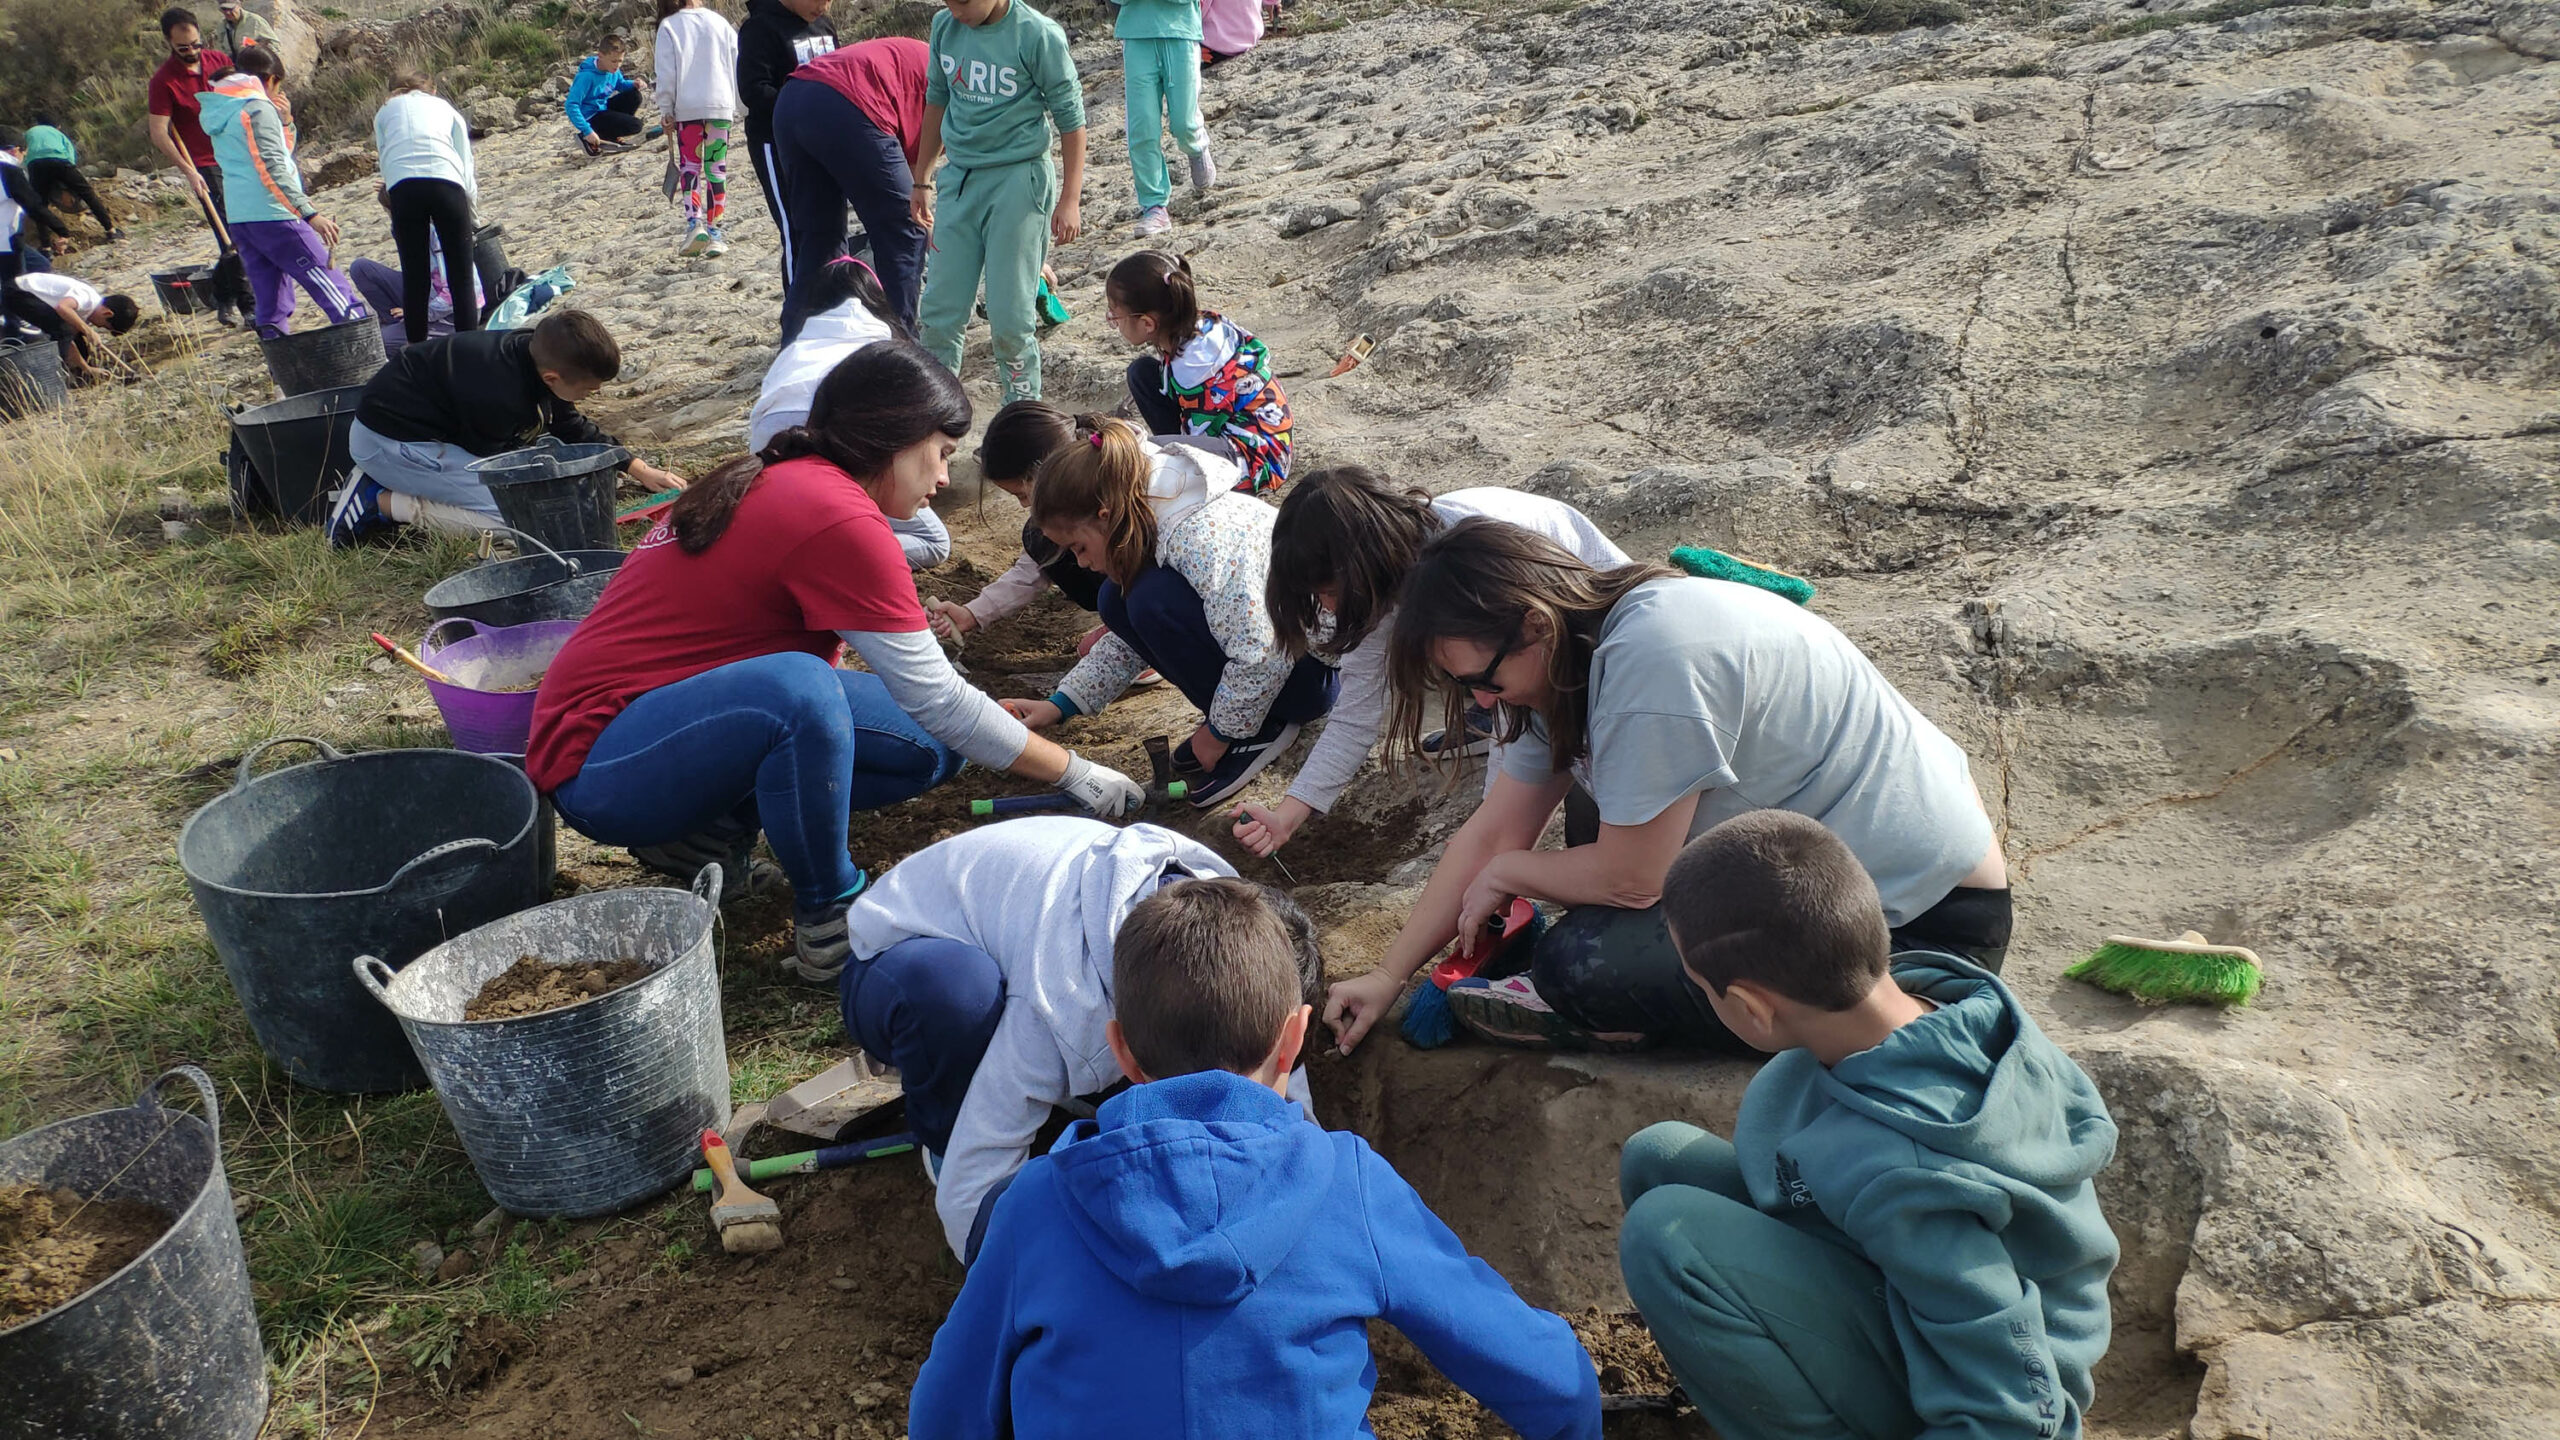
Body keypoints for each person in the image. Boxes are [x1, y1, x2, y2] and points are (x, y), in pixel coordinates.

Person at [525, 342, 1148, 978]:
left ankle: (702, 833)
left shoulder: (794, 481)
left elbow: (934, 712)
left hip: (679, 725)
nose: (941, 480)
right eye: (942, 455)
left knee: (929, 745)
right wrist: (1073, 773)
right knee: (803, 692)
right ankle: (830, 914)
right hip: (603, 762)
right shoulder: (833, 515)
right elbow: (937, 694)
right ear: (898, 438)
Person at [908, 875, 1603, 1440]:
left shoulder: (1036, 1204)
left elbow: (945, 1414)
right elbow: (1542, 1374)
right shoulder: (1345, 1183)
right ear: (1294, 1037)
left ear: (1121, 1051)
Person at [1324, 520, 2013, 1055]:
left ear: (1533, 622)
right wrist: (1389, 975)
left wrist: (1512, 872)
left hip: (1917, 926)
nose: (1478, 703)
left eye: (1482, 679)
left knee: (1579, 965)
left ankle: (1626, 1020)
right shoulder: (1574, 654)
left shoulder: (1652, 662)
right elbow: (1498, 829)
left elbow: (1633, 880)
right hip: (1833, 874)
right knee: (1603, 802)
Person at [1620, 810, 2117, 1440]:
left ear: (1750, 1007)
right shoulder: (1949, 1000)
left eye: (1705, 991)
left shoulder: (1903, 1170)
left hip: (1982, 1383)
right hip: (1898, 1281)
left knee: (1664, 1235)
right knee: (1659, 1157)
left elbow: (2015, 1406)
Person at [837, 817, 1314, 1260]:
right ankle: (942, 1129)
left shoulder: (1244, 932)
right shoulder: (1060, 1008)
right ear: (1124, 1047)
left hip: (1027, 917)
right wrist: (1011, 1287)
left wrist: (1309, 1167)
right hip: (896, 954)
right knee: (960, 995)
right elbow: (970, 1193)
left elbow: (1276, 1057)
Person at [1235, 466, 1629, 859]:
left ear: (1360, 567)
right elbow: (1356, 712)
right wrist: (1286, 816)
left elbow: (1517, 715)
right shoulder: (1380, 578)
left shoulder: (1471, 564)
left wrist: (1489, 833)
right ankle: (1483, 721)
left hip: (1594, 640)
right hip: (1520, 658)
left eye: (1328, 591)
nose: (1327, 607)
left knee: (1597, 792)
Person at [1001, 416, 1335, 807]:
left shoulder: (1194, 537)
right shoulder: (1154, 517)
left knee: (1147, 599)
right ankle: (1243, 720)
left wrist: (1220, 733)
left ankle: (1257, 730)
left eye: (1078, 548)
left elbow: (1262, 649)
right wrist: (1060, 705)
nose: (1083, 564)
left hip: (1306, 672)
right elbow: (1131, 641)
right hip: (1281, 666)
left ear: (1105, 516)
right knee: (1116, 599)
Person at [331, 308, 686, 543]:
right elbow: (497, 465)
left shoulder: (534, 353)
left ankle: (396, 484)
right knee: (523, 524)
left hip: (430, 430)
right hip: (390, 442)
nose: (592, 396)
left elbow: (569, 424)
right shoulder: (500, 395)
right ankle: (381, 501)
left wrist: (637, 468)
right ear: (552, 377)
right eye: (589, 390)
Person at [913, 0, 1086, 404]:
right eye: (948, 1)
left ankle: (1021, 421)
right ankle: (934, 421)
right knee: (939, 314)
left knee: (1010, 320)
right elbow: (937, 100)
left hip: (1019, 178)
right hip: (960, 179)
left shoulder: (1037, 34)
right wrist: (921, 178)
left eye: (965, 2)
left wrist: (1070, 199)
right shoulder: (945, 27)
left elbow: (1071, 120)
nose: (956, 11)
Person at [746, 256, 947, 567]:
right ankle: (821, 554)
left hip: (770, 464)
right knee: (934, 542)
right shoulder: (882, 344)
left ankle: (804, 543)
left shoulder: (797, 347)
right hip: (833, 459)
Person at [200, 50, 366, 341]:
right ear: (271, 80)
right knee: (327, 282)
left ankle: (282, 369)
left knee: (271, 300)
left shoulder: (223, 108)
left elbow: (269, 153)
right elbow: (273, 167)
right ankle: (363, 344)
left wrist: (286, 123)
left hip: (242, 218)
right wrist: (309, 214)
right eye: (279, 85)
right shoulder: (256, 109)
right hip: (274, 214)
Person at [771, 37, 929, 341]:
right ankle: (899, 344)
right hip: (846, 101)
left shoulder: (922, 58)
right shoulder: (957, 87)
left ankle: (795, 344)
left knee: (820, 240)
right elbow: (918, 187)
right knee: (904, 230)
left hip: (792, 99)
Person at [1103, 249, 1290, 493]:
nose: (1113, 322)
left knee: (1143, 453)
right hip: (1246, 433)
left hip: (1256, 458)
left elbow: (1200, 431)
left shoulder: (1194, 370)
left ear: (1148, 323)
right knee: (1141, 373)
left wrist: (1158, 449)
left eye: (1115, 316)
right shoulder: (1200, 326)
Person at [145, 8, 253, 326]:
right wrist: (187, 170)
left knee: (247, 229)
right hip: (204, 165)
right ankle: (250, 307)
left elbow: (241, 97)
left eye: (196, 43)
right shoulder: (163, 81)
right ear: (169, 42)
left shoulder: (219, 61)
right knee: (232, 235)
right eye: (183, 47)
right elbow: (158, 133)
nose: (192, 51)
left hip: (236, 154)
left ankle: (222, 294)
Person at [373, 70, 478, 345]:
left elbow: (385, 158)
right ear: (431, 90)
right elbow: (465, 159)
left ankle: (417, 353)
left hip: (404, 189)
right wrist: (472, 209)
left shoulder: (384, 111)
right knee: (461, 275)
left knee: (415, 276)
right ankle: (468, 349)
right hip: (447, 183)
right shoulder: (443, 106)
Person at [734, 0, 835, 276]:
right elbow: (753, 90)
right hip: (774, 141)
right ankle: (797, 311)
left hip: (821, 140)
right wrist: (803, 105)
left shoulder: (823, 25)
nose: (825, 6)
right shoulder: (760, 28)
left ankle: (832, 299)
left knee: (831, 226)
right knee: (795, 228)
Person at [1113, 0, 1213, 239]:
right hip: (1137, 37)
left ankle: (1196, 146)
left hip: (1181, 34)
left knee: (1184, 122)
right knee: (1143, 127)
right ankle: (1154, 206)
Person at [654, 0, 741, 257]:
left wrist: (665, 109)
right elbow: (736, 63)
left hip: (687, 109)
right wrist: (739, 104)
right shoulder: (720, 23)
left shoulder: (669, 26)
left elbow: (666, 73)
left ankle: (695, 225)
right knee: (717, 169)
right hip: (720, 106)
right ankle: (716, 232)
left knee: (690, 166)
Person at [4, 270, 138, 380]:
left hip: (30, 297)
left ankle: (81, 372)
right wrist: (88, 330)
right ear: (107, 314)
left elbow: (70, 340)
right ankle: (57, 376)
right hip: (18, 292)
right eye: (104, 326)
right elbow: (63, 308)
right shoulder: (87, 298)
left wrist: (86, 367)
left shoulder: (85, 310)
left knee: (75, 337)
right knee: (64, 330)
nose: (98, 327)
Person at [21, 119, 119, 239]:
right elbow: (70, 155)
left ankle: (46, 247)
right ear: (58, 126)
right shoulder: (58, 133)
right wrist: (67, 180)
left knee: (40, 205)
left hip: (35, 165)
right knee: (88, 194)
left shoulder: (28, 133)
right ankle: (110, 230)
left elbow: (23, 154)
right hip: (60, 161)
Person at [347, 254, 451, 355]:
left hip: (447, 314)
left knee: (380, 342)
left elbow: (453, 295)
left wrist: (416, 312)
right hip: (424, 289)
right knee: (360, 268)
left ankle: (409, 331)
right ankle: (396, 323)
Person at [564, 34, 647, 154]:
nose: (617, 65)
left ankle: (610, 135)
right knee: (636, 125)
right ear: (600, 56)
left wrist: (634, 84)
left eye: (620, 61)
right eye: (613, 61)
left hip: (603, 108)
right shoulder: (586, 77)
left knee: (634, 95)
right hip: (591, 117)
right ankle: (589, 137)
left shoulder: (613, 70)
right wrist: (587, 130)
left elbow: (620, 84)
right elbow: (571, 105)